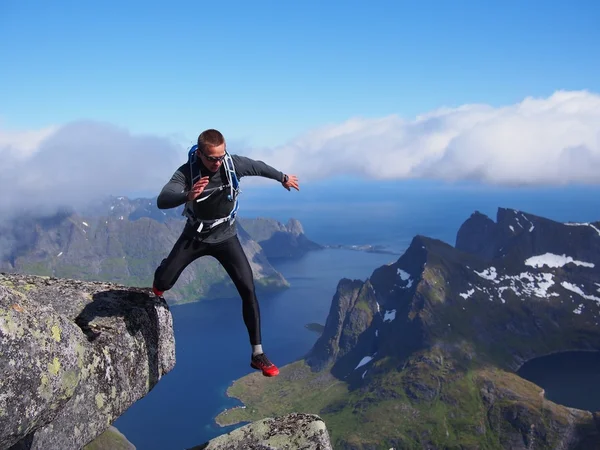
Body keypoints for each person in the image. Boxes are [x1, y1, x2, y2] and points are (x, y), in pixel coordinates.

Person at [152, 128, 299, 377]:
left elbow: (258, 167)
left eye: (221, 156)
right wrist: (188, 195)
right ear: (199, 154)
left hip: (226, 237)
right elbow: (162, 199)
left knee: (248, 289)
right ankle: (164, 270)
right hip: (195, 236)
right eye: (212, 158)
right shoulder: (187, 172)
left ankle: (258, 354)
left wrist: (282, 177)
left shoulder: (232, 164)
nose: (217, 162)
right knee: (163, 283)